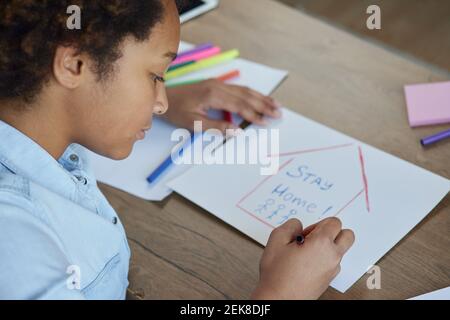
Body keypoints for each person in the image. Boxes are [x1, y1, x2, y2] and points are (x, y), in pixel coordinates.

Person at [0, 0, 354, 299]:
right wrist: (281, 294)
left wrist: (143, 99)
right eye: (156, 75)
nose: (160, 102)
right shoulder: (19, 241)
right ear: (73, 65)